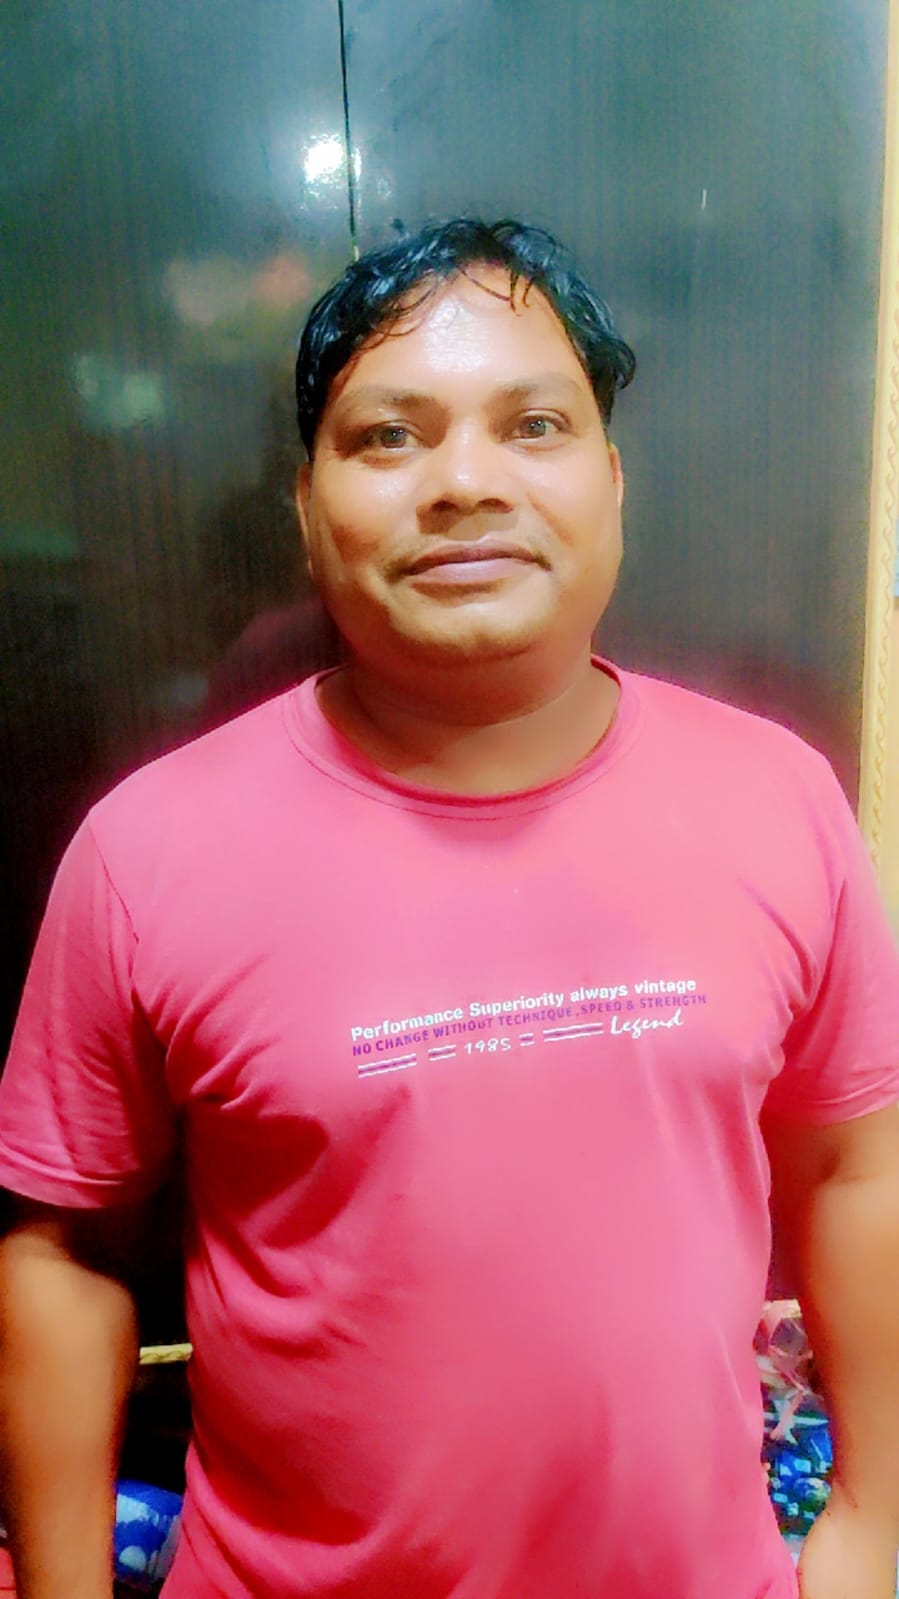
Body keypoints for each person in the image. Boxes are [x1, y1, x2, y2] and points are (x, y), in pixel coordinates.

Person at [1, 218, 899, 1599]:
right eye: (389, 437)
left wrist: (871, 1526)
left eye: (533, 425)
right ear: (307, 506)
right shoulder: (146, 852)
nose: (466, 482)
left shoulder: (778, 796)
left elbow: (857, 1170)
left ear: (611, 479)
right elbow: (63, 1250)